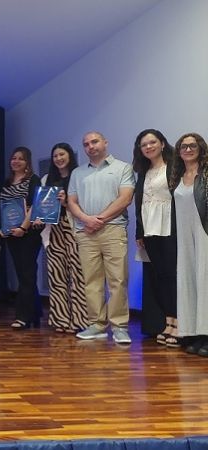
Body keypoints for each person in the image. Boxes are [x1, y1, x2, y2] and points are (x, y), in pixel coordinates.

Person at [69, 131, 135, 344]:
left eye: (94, 141)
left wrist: (99, 219)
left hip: (113, 230)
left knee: (118, 280)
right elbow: (72, 202)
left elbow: (125, 198)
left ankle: (119, 327)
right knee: (92, 281)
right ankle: (97, 324)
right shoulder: (77, 173)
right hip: (86, 232)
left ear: (105, 143)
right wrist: (86, 220)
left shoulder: (123, 168)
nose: (90, 146)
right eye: (86, 144)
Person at [132, 130, 177, 346]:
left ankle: (178, 323)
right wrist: (139, 232)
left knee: (173, 276)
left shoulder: (174, 167)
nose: (148, 147)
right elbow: (140, 204)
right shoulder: (144, 172)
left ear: (162, 144)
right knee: (161, 277)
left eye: (152, 142)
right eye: (144, 145)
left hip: (170, 227)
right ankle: (168, 321)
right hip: (150, 230)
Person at [39, 143, 87, 333]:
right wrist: (38, 216)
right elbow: (41, 205)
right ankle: (60, 319)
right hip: (53, 231)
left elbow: (85, 205)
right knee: (56, 276)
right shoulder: (46, 179)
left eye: (62, 154)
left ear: (70, 156)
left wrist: (66, 202)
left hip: (74, 229)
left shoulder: (79, 177)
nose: (58, 158)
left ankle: (80, 320)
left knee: (78, 276)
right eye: (55, 156)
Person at [170, 133, 208, 356]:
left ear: (200, 148)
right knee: (188, 282)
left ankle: (206, 334)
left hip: (204, 233)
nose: (188, 149)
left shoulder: (206, 175)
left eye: (192, 145)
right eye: (183, 146)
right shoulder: (177, 176)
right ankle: (192, 332)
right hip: (184, 237)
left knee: (205, 281)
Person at [0, 147, 42, 330]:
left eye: (21, 159)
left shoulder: (33, 179)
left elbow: (34, 205)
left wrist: (23, 228)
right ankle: (35, 313)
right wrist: (4, 229)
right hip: (11, 235)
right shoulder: (7, 182)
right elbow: (4, 207)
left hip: (28, 234)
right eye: (13, 158)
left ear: (27, 162)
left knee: (27, 274)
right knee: (23, 275)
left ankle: (23, 317)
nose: (16, 161)